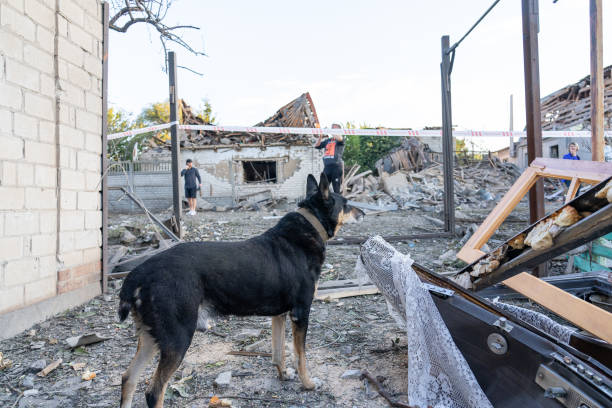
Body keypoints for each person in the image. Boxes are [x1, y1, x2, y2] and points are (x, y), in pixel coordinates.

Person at [314, 123, 345, 193]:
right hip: (327, 168)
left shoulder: (340, 139)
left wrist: (329, 131)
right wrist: (321, 136)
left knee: (336, 190)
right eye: (332, 128)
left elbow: (340, 138)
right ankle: (323, 203)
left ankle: (338, 203)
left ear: (339, 130)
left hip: (336, 167)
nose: (332, 129)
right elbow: (316, 146)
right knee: (322, 189)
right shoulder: (327, 141)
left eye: (334, 128)